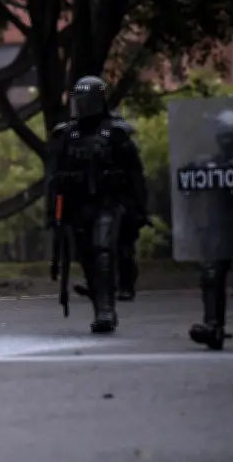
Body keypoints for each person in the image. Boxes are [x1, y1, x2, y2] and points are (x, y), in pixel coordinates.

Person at [48, 76, 149, 333]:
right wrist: (54, 214)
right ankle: (101, 305)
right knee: (86, 257)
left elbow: (135, 174)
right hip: (77, 206)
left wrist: (138, 209)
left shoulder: (115, 132)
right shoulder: (67, 134)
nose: (78, 106)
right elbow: (55, 178)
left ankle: (106, 311)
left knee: (103, 251)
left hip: (108, 203)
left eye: (83, 100)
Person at [188, 116, 233, 350]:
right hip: (222, 226)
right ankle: (213, 326)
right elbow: (189, 188)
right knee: (211, 272)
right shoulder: (213, 163)